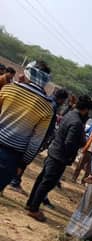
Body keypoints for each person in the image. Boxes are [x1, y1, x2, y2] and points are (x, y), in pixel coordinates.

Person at [26, 95, 92, 222]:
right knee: (47, 183)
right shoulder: (77, 123)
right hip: (60, 157)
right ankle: (33, 209)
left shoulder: (69, 115)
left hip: (54, 152)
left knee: (42, 179)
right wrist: (71, 155)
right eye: (88, 111)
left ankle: (31, 204)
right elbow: (70, 143)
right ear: (85, 110)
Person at [0, 60, 53, 194]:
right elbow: (35, 141)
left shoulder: (8, 89)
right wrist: (22, 164)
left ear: (28, 74)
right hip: (11, 158)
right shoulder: (47, 107)